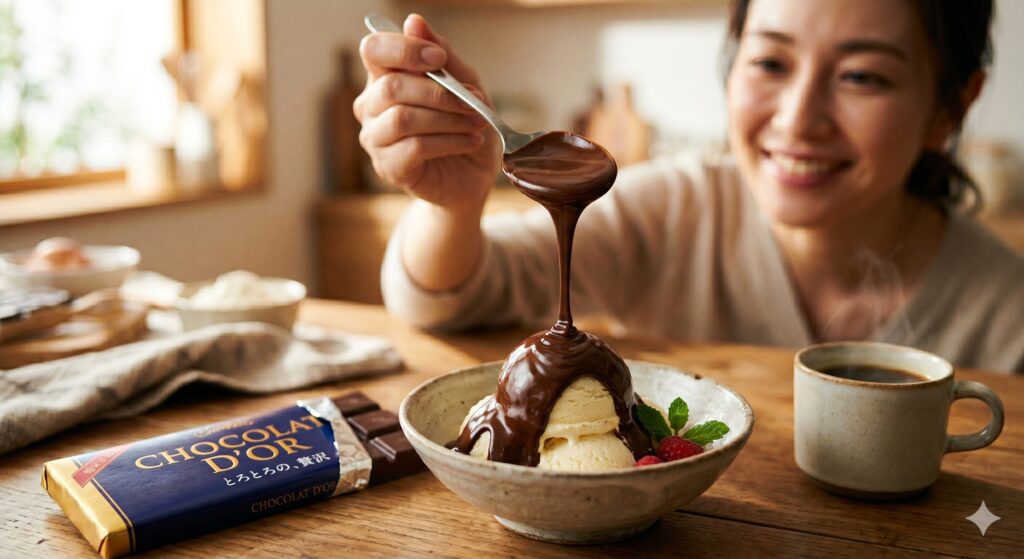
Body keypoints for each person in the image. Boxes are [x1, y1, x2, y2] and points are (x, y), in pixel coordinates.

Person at [354, 0, 1024, 373]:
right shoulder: (672, 209)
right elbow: (452, 296)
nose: (797, 118)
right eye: (769, 61)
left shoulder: (1005, 314)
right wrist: (453, 205)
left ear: (951, 108)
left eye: (862, 77)